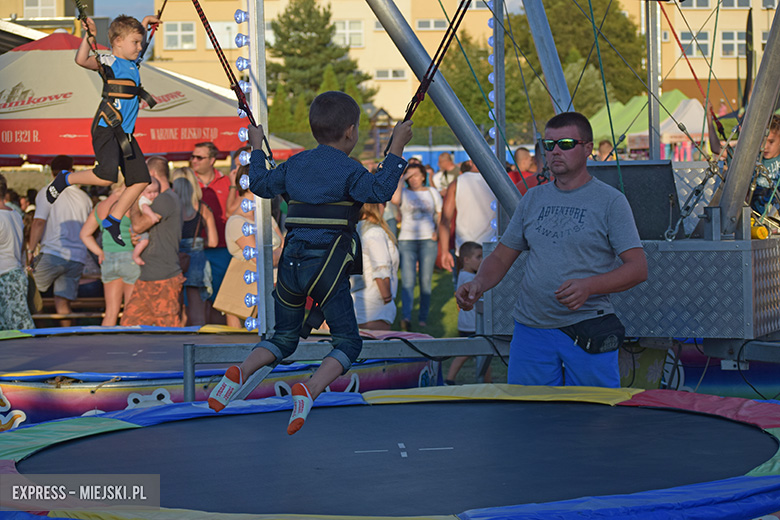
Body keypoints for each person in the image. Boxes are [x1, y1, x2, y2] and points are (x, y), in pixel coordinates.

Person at [207, 91, 414, 435]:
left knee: (284, 337)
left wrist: (257, 146)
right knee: (347, 342)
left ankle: (243, 370)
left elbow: (258, 182)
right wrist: (396, 148)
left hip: (290, 266)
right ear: (351, 132)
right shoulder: (350, 170)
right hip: (327, 269)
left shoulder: (295, 165)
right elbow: (379, 192)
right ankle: (312, 387)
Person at [456, 112, 648, 388]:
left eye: (566, 143)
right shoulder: (533, 198)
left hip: (586, 328)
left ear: (587, 148)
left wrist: (589, 286)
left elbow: (638, 268)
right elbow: (501, 255)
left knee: (593, 421)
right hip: (531, 330)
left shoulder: (610, 201)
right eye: (549, 145)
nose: (556, 151)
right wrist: (478, 283)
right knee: (530, 419)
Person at [43, 14, 160, 248]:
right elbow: (81, 59)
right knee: (106, 177)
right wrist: (90, 36)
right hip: (107, 127)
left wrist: (145, 25)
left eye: (140, 42)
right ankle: (65, 178)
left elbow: (140, 44)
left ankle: (114, 219)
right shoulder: (109, 61)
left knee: (140, 180)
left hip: (125, 134)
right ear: (117, 42)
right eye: (135, 43)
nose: (140, 47)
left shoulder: (133, 63)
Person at [28, 155, 93, 327]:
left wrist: (30, 251)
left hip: (52, 253)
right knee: (63, 303)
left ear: (51, 171)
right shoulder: (84, 197)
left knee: (29, 293)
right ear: (72, 170)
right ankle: (67, 336)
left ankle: (41, 333)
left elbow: (38, 222)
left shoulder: (47, 192)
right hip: (77, 256)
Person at [120, 156, 185, 327]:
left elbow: (139, 225)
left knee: (168, 332)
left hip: (164, 278)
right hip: (148, 277)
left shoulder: (165, 198)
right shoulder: (157, 199)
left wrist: (135, 197)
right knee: (129, 328)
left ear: (152, 173)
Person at [215, 175, 284, 328]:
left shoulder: (267, 218)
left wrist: (278, 254)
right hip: (252, 291)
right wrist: (282, 253)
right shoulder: (238, 222)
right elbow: (262, 260)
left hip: (276, 287)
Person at [79, 180, 140, 326]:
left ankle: (105, 344)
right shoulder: (130, 202)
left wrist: (99, 252)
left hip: (108, 259)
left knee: (111, 312)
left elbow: (84, 234)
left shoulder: (100, 206)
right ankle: (130, 345)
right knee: (130, 310)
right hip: (129, 256)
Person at [391, 163, 442, 330]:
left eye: (416, 175)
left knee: (425, 280)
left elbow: (440, 212)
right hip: (407, 240)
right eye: (410, 176)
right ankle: (406, 316)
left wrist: (437, 231)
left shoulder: (432, 192)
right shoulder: (404, 192)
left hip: (428, 239)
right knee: (408, 280)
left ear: (423, 176)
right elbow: (395, 200)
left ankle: (423, 317)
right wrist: (402, 179)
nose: (413, 179)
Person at [189, 142, 237, 318]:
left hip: (221, 249)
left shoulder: (226, 183)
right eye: (192, 156)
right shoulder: (186, 183)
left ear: (212, 160)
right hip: (194, 249)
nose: (194, 160)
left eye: (199, 157)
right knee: (195, 299)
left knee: (220, 300)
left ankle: (217, 339)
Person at [171, 167, 218, 326]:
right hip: (197, 260)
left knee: (174, 310)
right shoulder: (203, 208)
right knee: (198, 312)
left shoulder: (169, 208)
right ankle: (198, 346)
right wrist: (197, 242)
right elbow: (213, 242)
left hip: (173, 258)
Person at [710, 113, 780, 217]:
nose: (765, 146)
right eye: (762, 141)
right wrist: (708, 117)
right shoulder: (750, 156)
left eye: (771, 142)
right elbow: (716, 148)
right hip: (753, 217)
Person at [437, 160, 496, 274]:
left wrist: (444, 251)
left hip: (464, 248)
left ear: (470, 162)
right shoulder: (497, 180)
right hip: (491, 246)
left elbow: (445, 221)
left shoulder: (457, 182)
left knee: (464, 288)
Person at [445, 241, 492, 385]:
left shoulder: (464, 275)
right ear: (466, 259)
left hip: (468, 323)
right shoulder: (469, 278)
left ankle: (488, 382)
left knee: (484, 354)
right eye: (478, 257)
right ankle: (449, 379)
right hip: (471, 324)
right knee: (467, 353)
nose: (482, 260)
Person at [350, 203, 400, 330]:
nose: (384, 207)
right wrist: (387, 299)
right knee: (375, 348)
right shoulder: (375, 232)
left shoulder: (356, 228)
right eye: (383, 204)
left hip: (356, 299)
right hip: (374, 305)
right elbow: (381, 270)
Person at [0, 174, 35, 331]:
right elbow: (22, 248)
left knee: (15, 328)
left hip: (4, 277)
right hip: (15, 273)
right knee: (17, 326)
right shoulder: (15, 215)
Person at [131, 177, 161, 266]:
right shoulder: (144, 200)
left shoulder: (148, 198)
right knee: (144, 241)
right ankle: (135, 256)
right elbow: (145, 208)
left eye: (156, 192)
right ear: (143, 193)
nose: (153, 195)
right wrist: (153, 216)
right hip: (138, 225)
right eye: (149, 192)